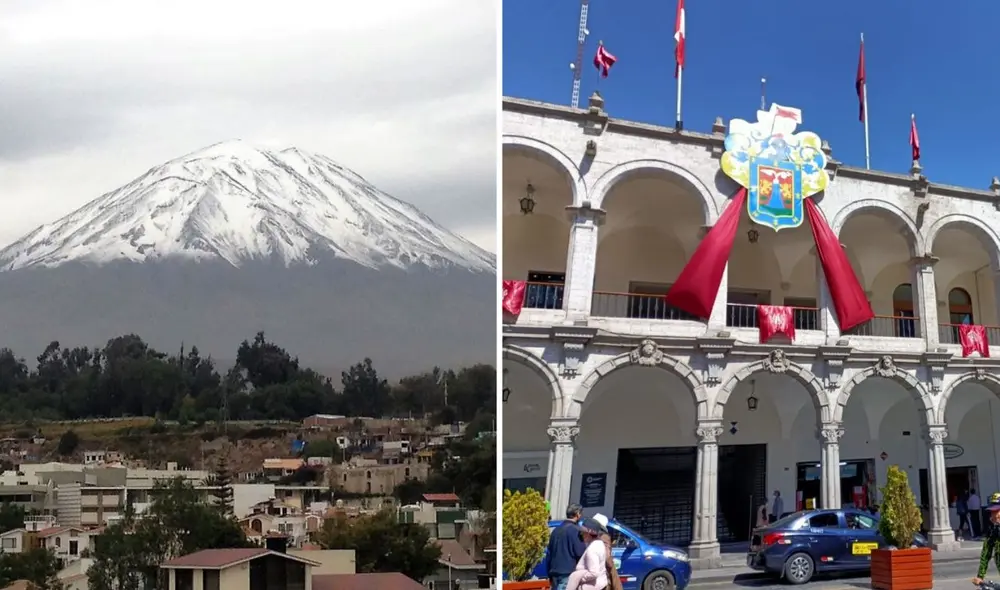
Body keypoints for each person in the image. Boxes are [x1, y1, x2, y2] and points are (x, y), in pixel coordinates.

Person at [545, 504, 587, 590]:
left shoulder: (556, 531)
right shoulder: (576, 530)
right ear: (578, 514)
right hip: (568, 573)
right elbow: (580, 552)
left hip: (554, 572)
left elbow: (549, 553)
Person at [567, 515, 609, 590]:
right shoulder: (600, 543)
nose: (581, 535)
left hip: (590, 587)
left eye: (583, 533)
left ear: (588, 534)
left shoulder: (592, 549)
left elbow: (594, 573)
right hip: (600, 585)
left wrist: (578, 577)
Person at [972, 493, 1000, 586]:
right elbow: (986, 552)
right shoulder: (993, 530)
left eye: (997, 511)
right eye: (992, 512)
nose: (994, 515)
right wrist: (980, 576)